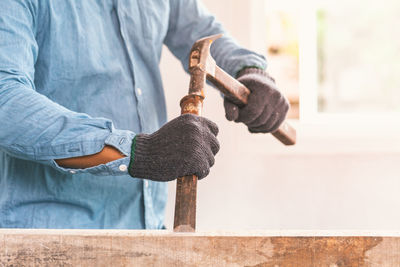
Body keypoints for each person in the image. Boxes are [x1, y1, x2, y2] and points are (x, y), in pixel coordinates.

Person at [0, 0, 289, 229]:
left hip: (145, 231)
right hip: (48, 241)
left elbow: (200, 29)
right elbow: (6, 100)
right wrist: (138, 151)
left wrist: (249, 70)